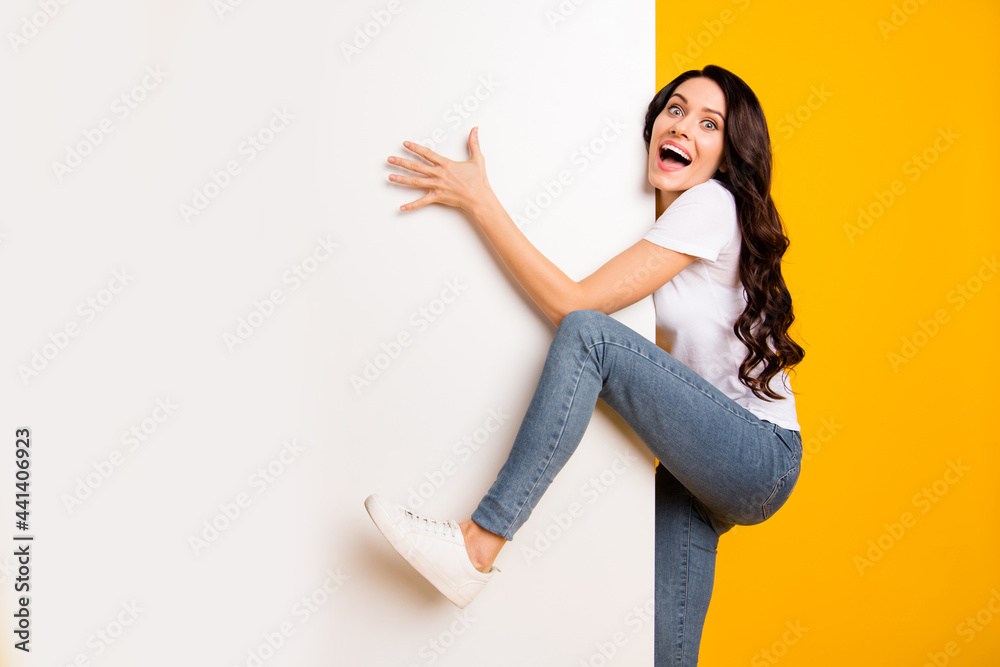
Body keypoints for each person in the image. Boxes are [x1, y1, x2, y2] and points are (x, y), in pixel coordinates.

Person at [365, 64, 805, 665]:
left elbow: (575, 307)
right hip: (703, 468)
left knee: (590, 337)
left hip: (758, 455)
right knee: (663, 655)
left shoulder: (711, 202)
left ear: (729, 155)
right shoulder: (670, 220)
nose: (682, 127)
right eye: (674, 109)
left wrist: (480, 200)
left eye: (710, 123)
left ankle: (477, 544)